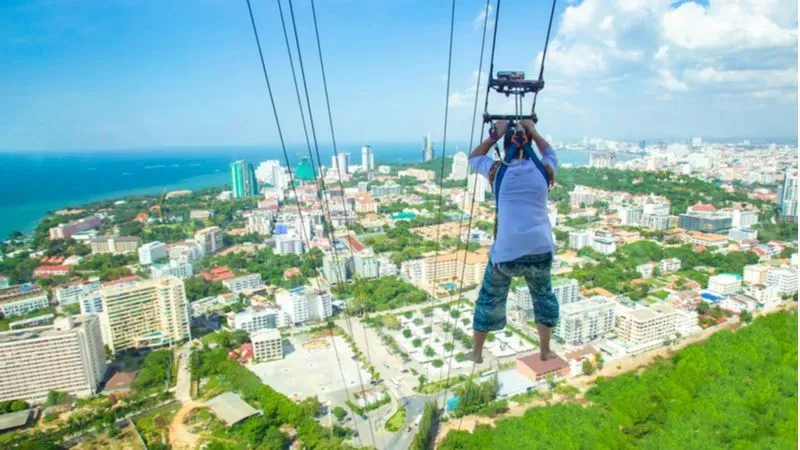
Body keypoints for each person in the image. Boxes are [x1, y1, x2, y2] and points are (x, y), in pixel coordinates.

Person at [467, 119, 559, 363]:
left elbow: (474, 157)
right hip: (540, 250)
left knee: (489, 298)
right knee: (543, 296)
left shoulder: (497, 171)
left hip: (506, 254)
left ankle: (476, 352)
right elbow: (549, 152)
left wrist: (494, 135)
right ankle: (545, 349)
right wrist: (533, 131)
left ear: (506, 144)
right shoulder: (544, 170)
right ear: (528, 144)